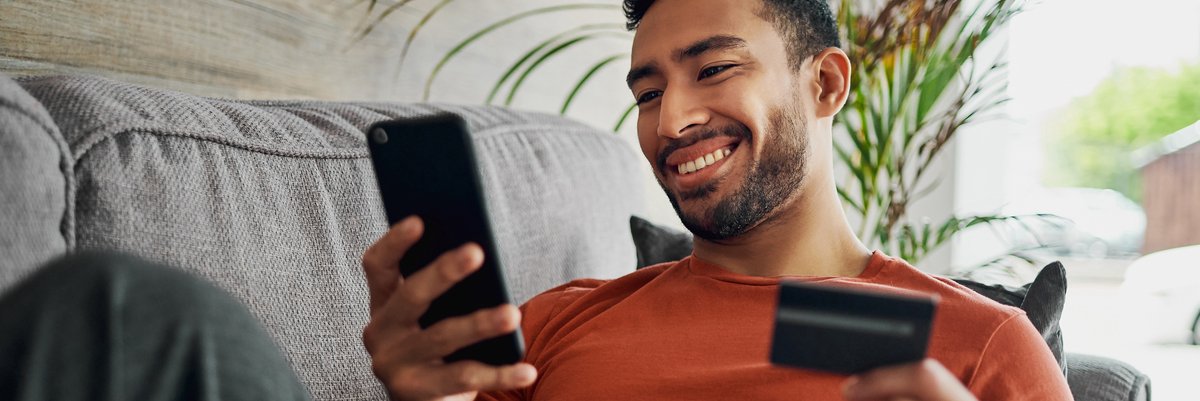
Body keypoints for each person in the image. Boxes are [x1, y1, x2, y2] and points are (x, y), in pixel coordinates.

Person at [359, 0, 1073, 400]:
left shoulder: (981, 346)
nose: (670, 122)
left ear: (823, 84)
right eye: (647, 93)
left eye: (715, 69)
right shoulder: (548, 327)